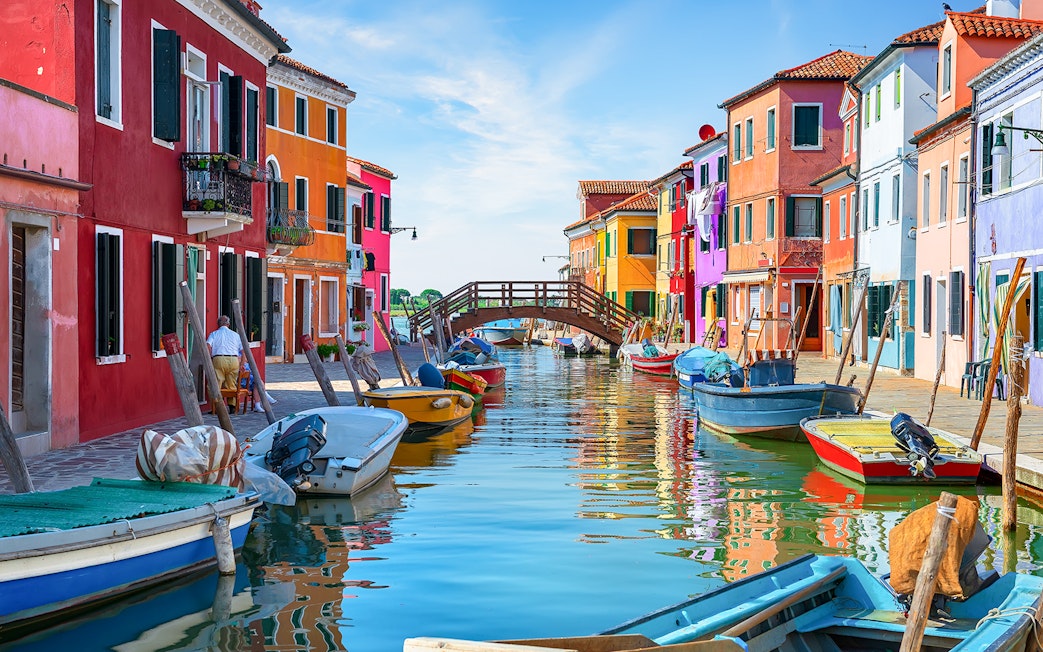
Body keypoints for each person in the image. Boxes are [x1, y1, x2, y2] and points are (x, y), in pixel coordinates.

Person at [206, 315, 242, 409]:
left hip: (219, 359)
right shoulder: (235, 335)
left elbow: (208, 346)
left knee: (215, 384)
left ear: (218, 324)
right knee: (231, 383)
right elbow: (243, 350)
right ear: (228, 324)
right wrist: (242, 363)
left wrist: (209, 359)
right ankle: (232, 406)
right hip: (234, 359)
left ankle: (217, 407)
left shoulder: (214, 334)